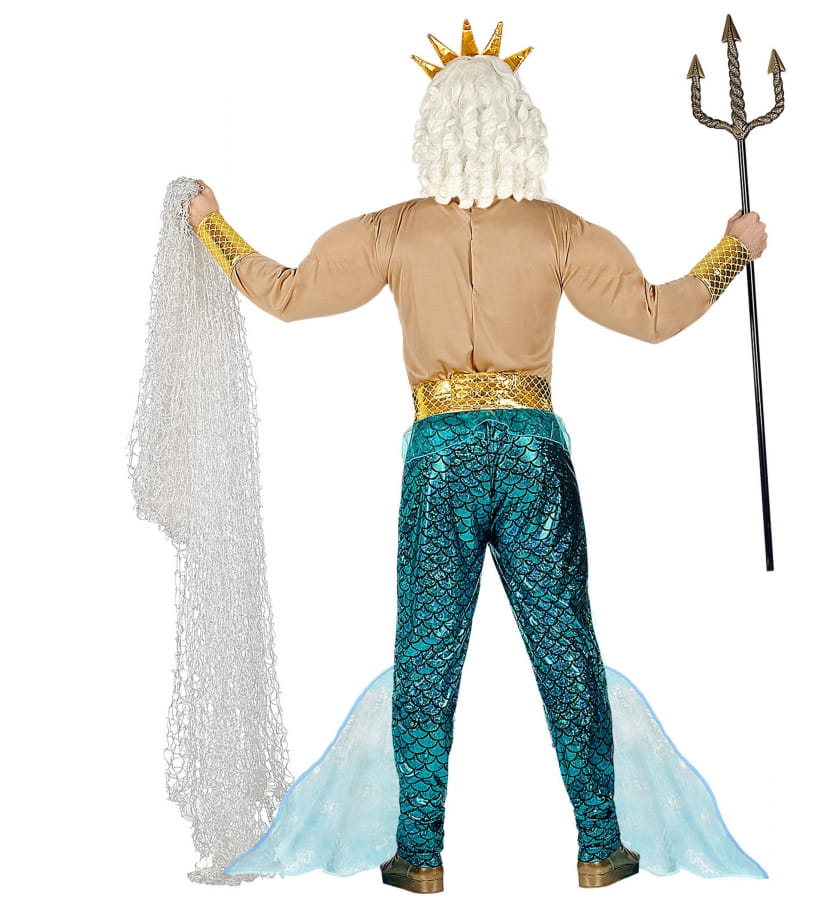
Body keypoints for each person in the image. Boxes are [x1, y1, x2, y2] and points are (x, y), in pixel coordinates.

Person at [186, 20, 767, 893]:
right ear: (520, 122)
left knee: (427, 656)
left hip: (441, 461)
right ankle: (599, 846)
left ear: (435, 126)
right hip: (534, 459)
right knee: (565, 649)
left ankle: (419, 854)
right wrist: (734, 254)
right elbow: (653, 314)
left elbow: (291, 295)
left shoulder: (392, 230)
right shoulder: (559, 231)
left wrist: (213, 227)